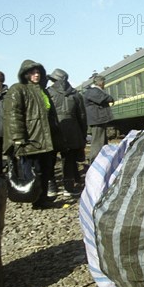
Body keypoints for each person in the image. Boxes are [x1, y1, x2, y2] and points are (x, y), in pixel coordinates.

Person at [3, 60, 62, 209]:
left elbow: (51, 115)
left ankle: (41, 199)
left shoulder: (43, 90)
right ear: (25, 74)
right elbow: (14, 114)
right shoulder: (18, 89)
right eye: (32, 72)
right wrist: (18, 137)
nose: (36, 75)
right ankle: (36, 201)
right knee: (35, 172)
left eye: (38, 72)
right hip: (31, 139)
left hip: (46, 139)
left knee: (46, 170)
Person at [47, 68, 87, 196]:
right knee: (68, 160)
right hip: (72, 130)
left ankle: (51, 187)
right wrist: (83, 134)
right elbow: (82, 116)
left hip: (53, 130)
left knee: (50, 159)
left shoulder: (48, 93)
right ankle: (68, 188)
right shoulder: (75, 94)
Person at [83, 73, 114, 162]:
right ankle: (94, 163)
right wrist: (110, 98)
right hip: (97, 120)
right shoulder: (93, 91)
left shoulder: (92, 91)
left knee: (102, 143)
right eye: (104, 82)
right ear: (101, 82)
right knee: (97, 144)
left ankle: (101, 162)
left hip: (99, 120)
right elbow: (105, 98)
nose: (104, 84)